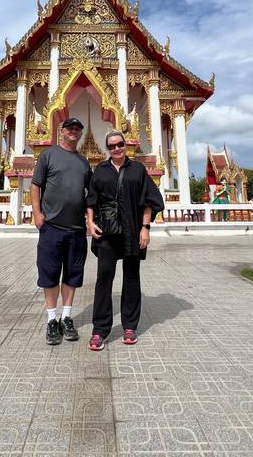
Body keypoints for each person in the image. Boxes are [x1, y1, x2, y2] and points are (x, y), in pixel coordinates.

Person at [86, 129, 164, 350]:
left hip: (132, 230)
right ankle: (100, 329)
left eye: (119, 144)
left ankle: (129, 325)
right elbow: (91, 200)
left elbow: (149, 200)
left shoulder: (137, 169)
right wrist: (90, 223)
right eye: (111, 146)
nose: (116, 149)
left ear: (125, 144)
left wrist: (145, 228)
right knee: (104, 279)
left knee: (131, 278)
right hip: (107, 233)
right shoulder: (100, 171)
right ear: (107, 149)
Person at [31, 117, 92, 345]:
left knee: (72, 275)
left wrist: (91, 220)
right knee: (49, 274)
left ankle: (66, 316)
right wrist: (37, 215)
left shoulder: (84, 162)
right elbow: (36, 186)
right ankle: (51, 319)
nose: (73, 132)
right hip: (52, 227)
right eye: (70, 128)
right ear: (62, 131)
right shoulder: (48, 155)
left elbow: (91, 194)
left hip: (76, 229)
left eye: (77, 129)